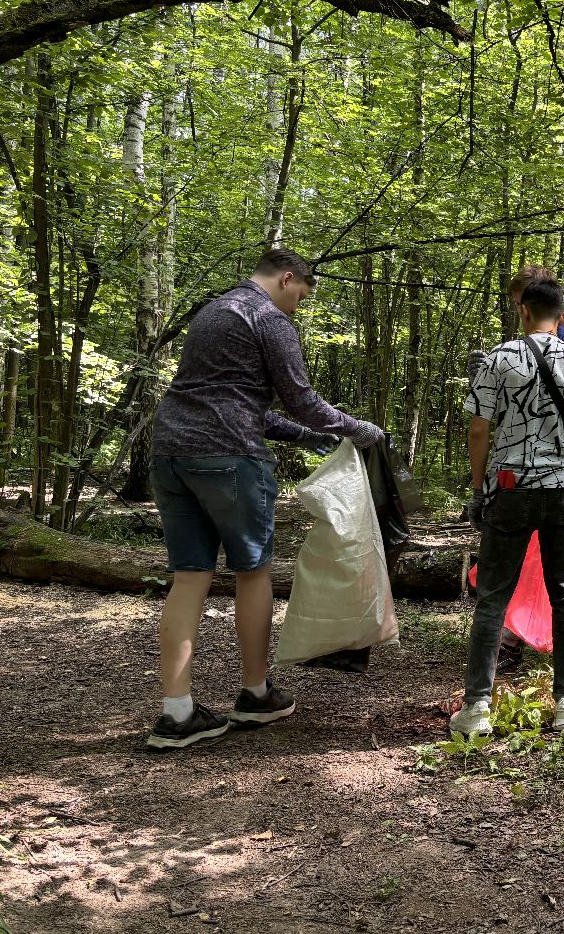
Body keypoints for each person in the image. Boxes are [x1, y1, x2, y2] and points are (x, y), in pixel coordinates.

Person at [145, 248, 386, 750]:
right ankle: (255, 694)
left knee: (190, 577)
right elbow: (302, 400)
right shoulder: (269, 318)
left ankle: (176, 713)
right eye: (301, 294)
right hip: (231, 458)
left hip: (170, 452)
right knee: (251, 571)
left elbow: (236, 401)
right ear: (288, 278)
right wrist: (360, 430)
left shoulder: (213, 312)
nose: (298, 304)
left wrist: (302, 436)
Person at [451, 277, 564, 737]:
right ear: (563, 317)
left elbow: (479, 430)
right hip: (561, 493)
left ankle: (476, 708)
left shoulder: (498, 359)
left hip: (510, 488)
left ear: (524, 312)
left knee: (493, 597)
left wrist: (481, 489)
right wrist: (561, 461)